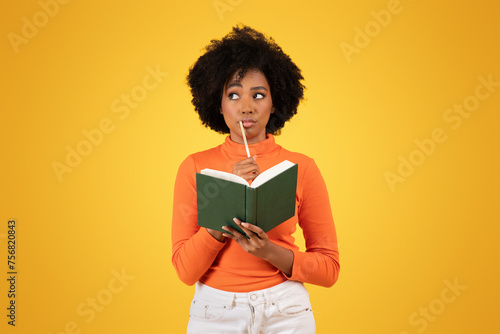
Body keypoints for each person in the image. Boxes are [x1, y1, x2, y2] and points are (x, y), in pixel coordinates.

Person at [171, 25, 340, 334]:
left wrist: (269, 252)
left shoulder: (303, 167)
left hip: (286, 311)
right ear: (218, 104)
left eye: (258, 95)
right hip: (215, 312)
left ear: (274, 103)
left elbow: (329, 270)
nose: (246, 107)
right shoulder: (195, 167)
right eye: (233, 95)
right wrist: (224, 203)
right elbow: (185, 270)